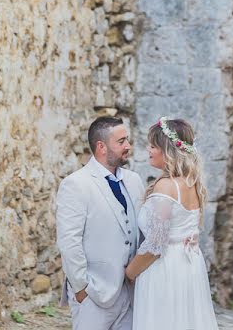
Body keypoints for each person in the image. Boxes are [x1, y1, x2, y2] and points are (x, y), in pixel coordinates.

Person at [124, 117, 219, 330]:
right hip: (188, 265)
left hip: (164, 269)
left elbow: (156, 246)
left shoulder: (166, 187)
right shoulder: (191, 183)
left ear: (167, 150)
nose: (148, 149)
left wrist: (130, 273)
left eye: (153, 145)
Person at [55, 116, 146, 330]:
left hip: (130, 293)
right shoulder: (76, 184)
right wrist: (81, 288)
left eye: (127, 140)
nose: (128, 146)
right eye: (121, 141)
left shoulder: (134, 181)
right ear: (101, 146)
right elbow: (69, 241)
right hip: (94, 294)